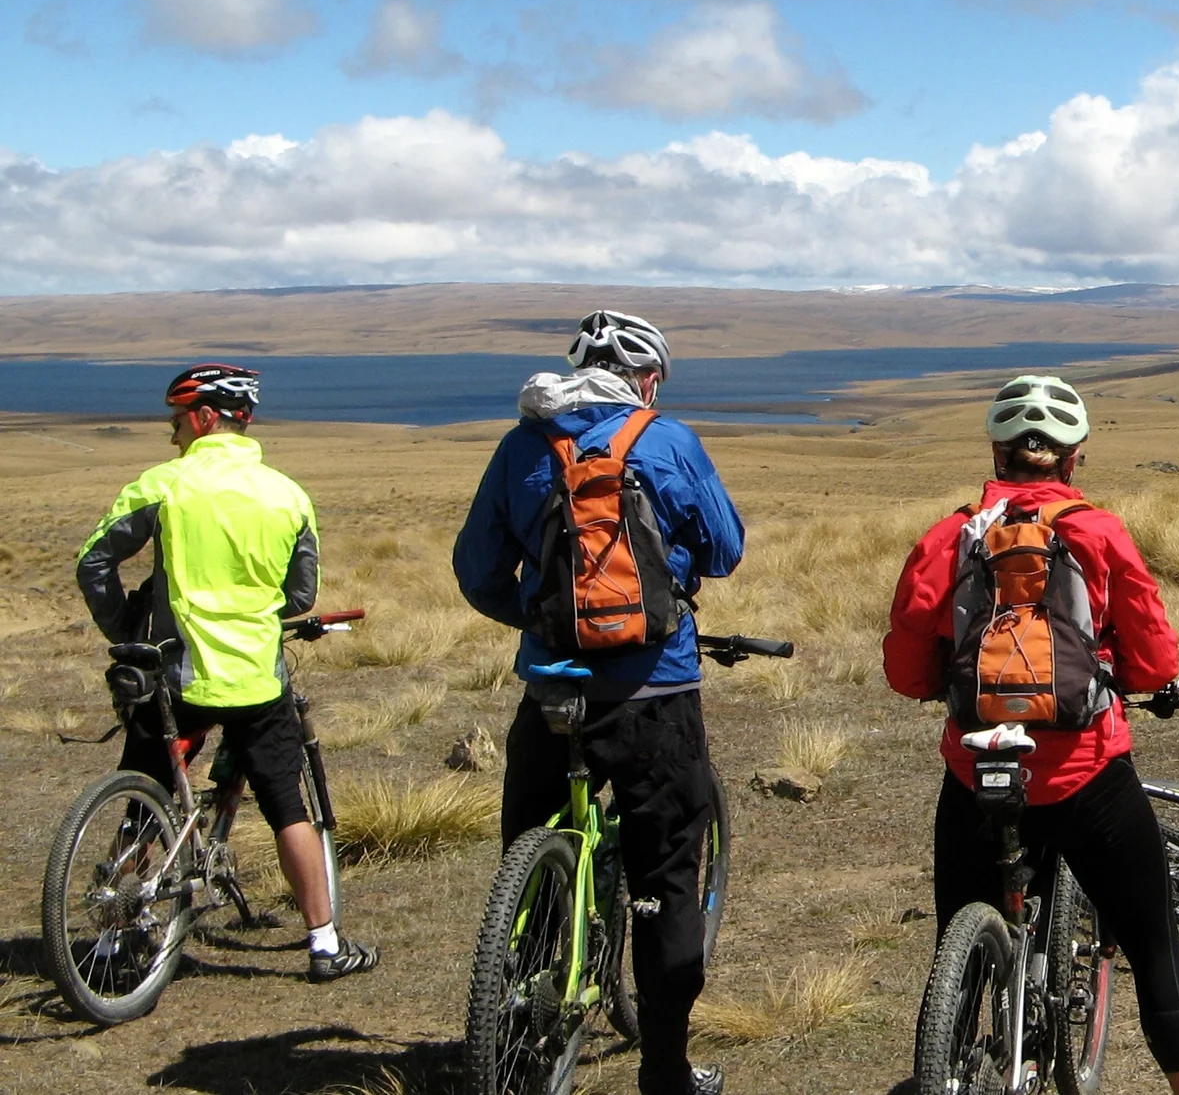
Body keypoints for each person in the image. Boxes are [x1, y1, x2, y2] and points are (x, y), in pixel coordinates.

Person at [884, 375, 1179, 1095]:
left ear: (998, 453)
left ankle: (953, 1062)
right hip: (1084, 773)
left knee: (960, 950)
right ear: (1071, 459)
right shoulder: (1098, 531)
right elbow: (1157, 658)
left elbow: (908, 669)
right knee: (1156, 947)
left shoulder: (950, 535)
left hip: (978, 774)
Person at [453, 311, 746, 1095]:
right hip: (655, 692)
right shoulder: (668, 440)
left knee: (531, 865)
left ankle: (518, 1033)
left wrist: (546, 622)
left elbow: (477, 569)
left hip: (549, 691)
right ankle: (665, 1071)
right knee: (666, 883)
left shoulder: (522, 444)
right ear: (646, 379)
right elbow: (725, 548)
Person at [76, 363, 381, 982]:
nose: (172, 432)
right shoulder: (288, 495)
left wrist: (127, 632)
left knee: (146, 799)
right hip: (256, 678)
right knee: (288, 807)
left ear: (206, 417)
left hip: (173, 674)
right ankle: (324, 944)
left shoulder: (163, 486)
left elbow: (94, 563)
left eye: (178, 419)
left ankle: (111, 935)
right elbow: (300, 597)